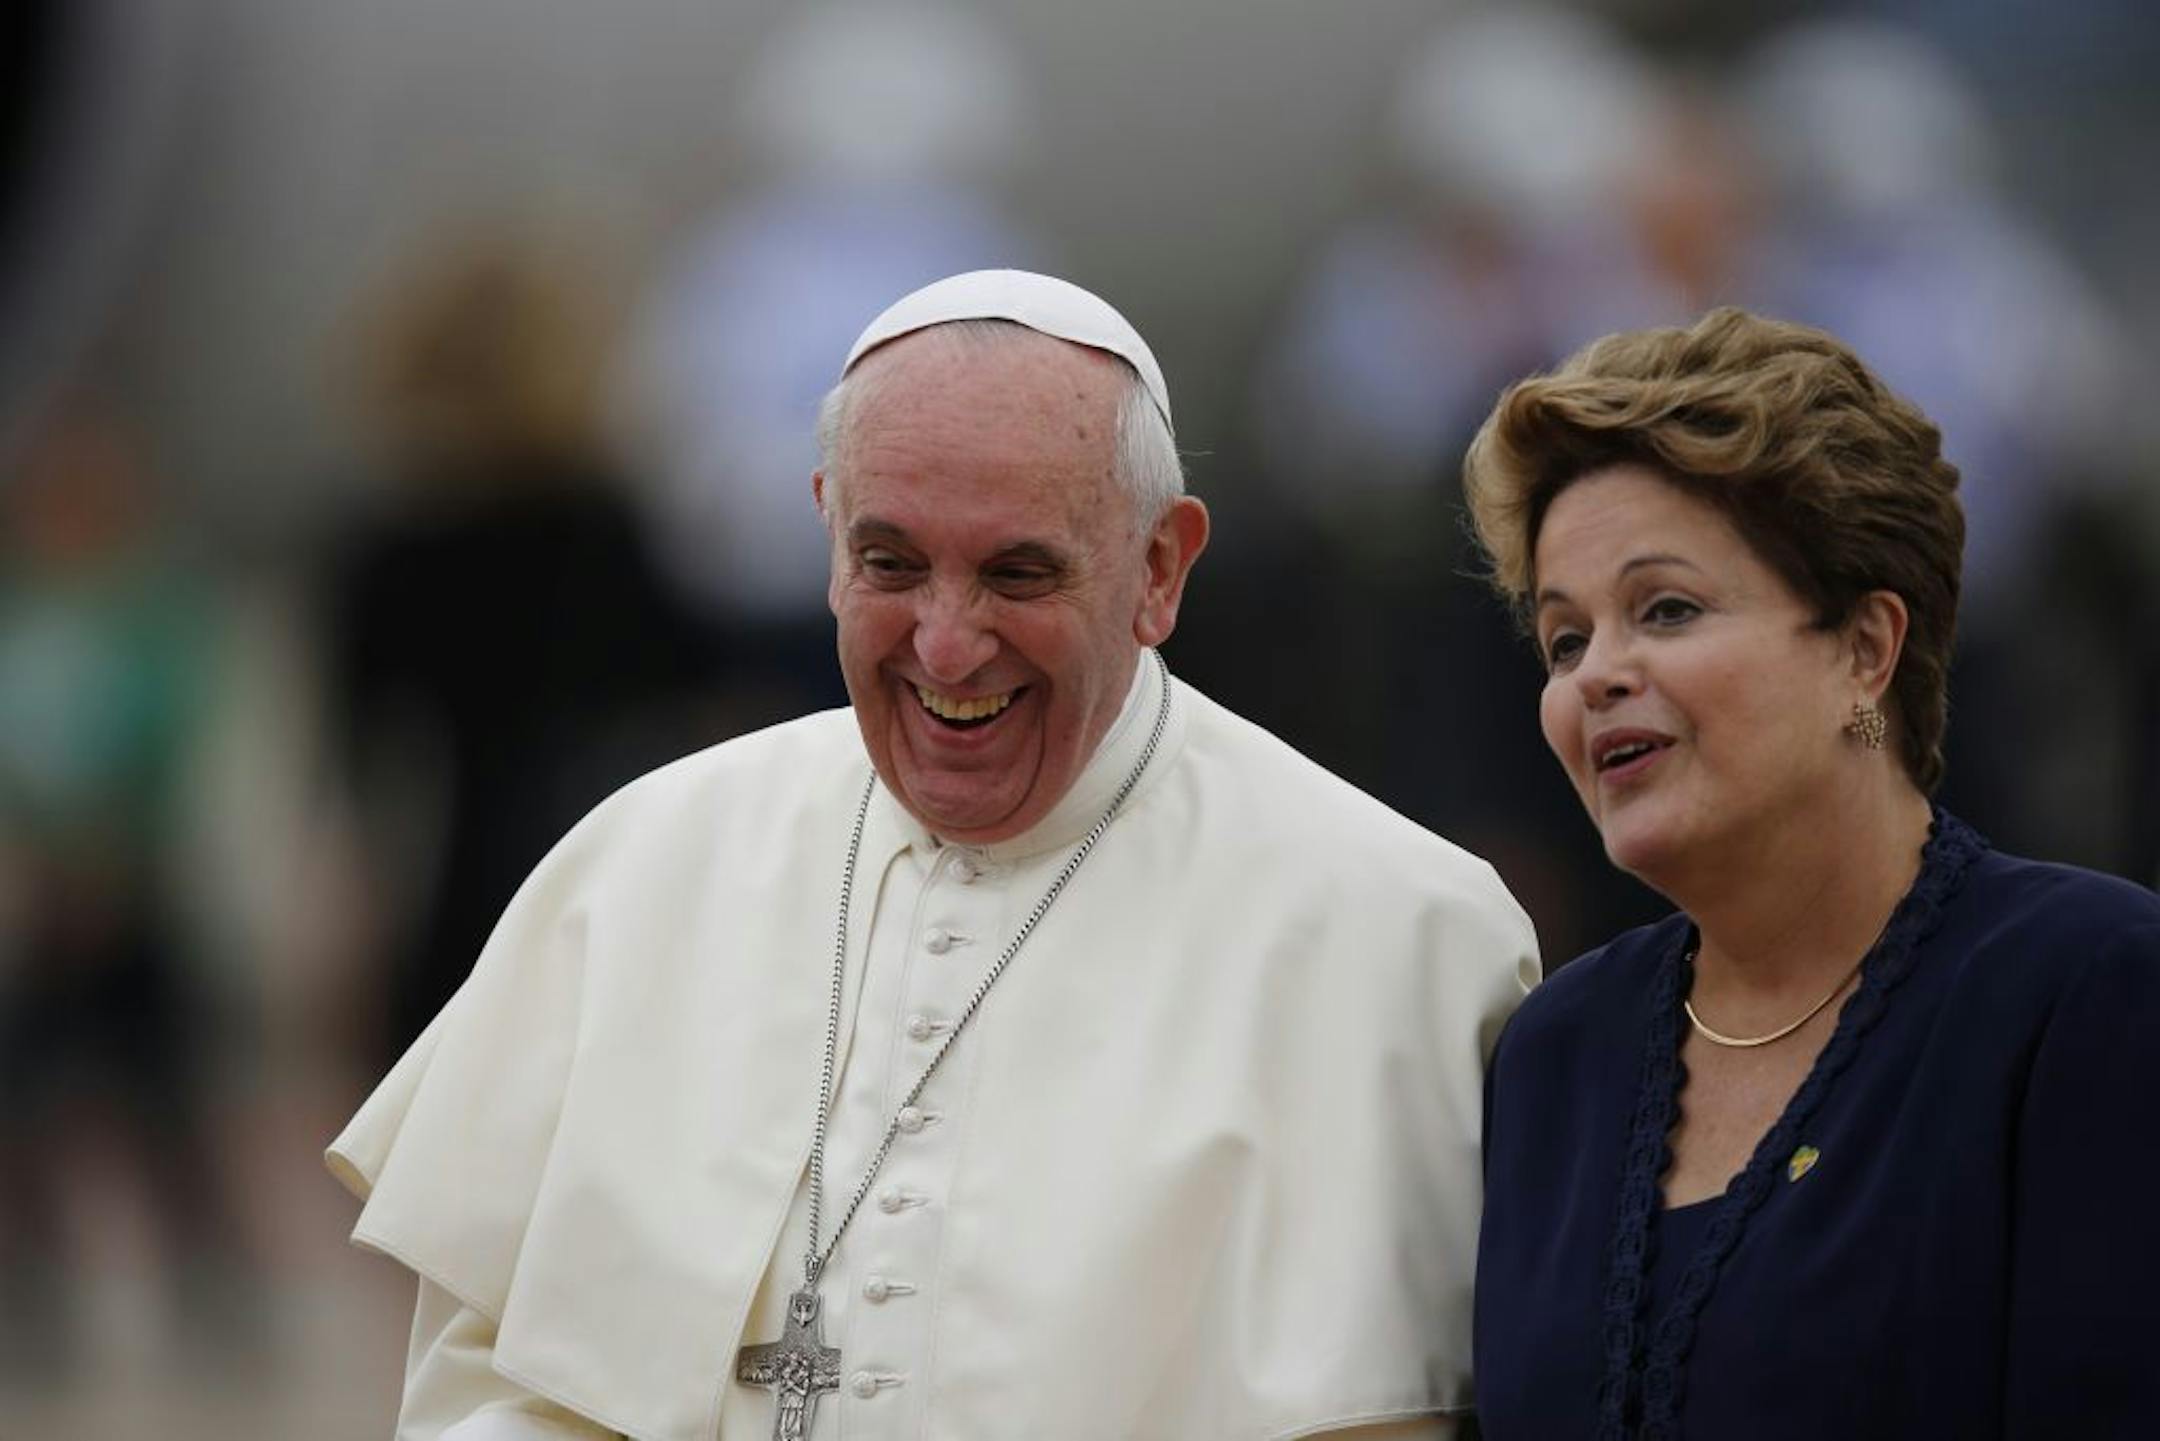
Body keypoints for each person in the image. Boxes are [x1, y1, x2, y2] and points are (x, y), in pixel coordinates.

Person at [328, 269, 1538, 1440]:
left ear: (1160, 568)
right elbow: (485, 1384)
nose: (948, 646)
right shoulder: (643, 863)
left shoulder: (1399, 930)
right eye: (891, 563)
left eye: (1019, 572)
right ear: (825, 531)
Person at [1461, 306, 2160, 1438]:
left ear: (1865, 650)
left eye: (1667, 609)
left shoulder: (2085, 990)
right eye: (1566, 639)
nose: (1597, 677)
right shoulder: (1556, 1050)